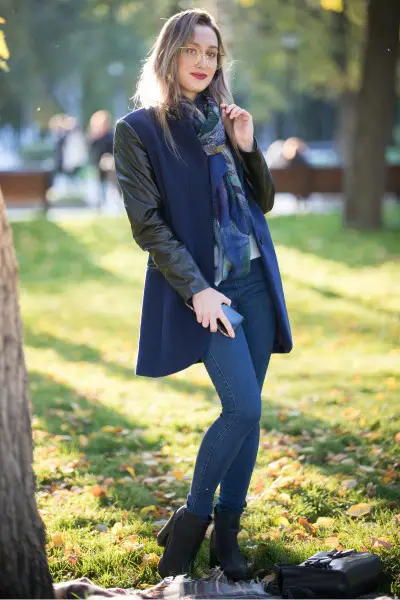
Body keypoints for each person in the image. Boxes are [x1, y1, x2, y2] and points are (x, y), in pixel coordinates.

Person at [113, 8, 293, 582]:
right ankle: (189, 527)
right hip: (206, 290)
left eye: (211, 53)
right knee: (242, 406)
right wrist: (198, 292)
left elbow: (260, 202)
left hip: (254, 280)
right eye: (191, 50)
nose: (202, 61)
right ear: (170, 55)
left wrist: (248, 145)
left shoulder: (226, 119)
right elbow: (149, 226)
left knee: (249, 414)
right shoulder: (138, 130)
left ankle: (229, 535)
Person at [87, 110, 115, 209]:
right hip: (96, 165)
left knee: (109, 185)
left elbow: (113, 149)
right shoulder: (94, 137)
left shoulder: (111, 135)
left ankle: (108, 203)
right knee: (98, 185)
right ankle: (99, 204)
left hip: (109, 166)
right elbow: (91, 151)